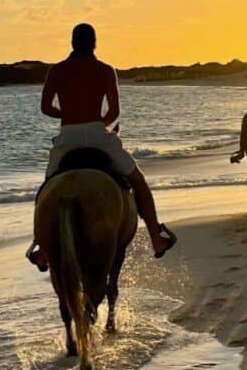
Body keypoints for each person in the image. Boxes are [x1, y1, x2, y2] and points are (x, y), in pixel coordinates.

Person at [26, 23, 177, 270]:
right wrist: (100, 123)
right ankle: (155, 237)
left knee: (46, 190)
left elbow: (45, 108)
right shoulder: (105, 70)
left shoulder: (57, 70)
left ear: (72, 42)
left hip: (67, 138)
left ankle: (42, 249)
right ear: (94, 43)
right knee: (138, 182)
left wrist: (68, 114)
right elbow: (115, 112)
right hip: (99, 135)